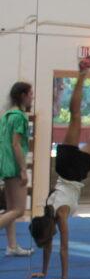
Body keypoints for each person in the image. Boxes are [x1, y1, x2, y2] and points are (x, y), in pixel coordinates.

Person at [29, 58, 90, 279]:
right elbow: (51, 247)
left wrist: (63, 277)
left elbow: (64, 249)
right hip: (66, 168)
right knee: (80, 118)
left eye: (46, 240)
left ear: (49, 231)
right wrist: (44, 272)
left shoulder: (59, 215)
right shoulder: (47, 214)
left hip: (75, 171)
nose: (48, 243)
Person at [0, 81, 33, 256]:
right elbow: (16, 144)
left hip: (5, 165)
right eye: (30, 94)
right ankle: (12, 246)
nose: (32, 97)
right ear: (23, 95)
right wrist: (22, 169)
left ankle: (12, 246)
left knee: (11, 208)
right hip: (13, 166)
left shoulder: (6, 115)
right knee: (19, 210)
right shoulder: (19, 116)